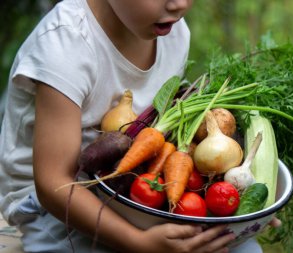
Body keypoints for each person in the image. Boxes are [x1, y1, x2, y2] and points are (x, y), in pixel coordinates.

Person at [0, 0, 278, 252]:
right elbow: (54, 185)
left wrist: (249, 212)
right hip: (57, 209)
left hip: (131, 192)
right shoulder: (66, 44)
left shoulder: (174, 34)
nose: (180, 4)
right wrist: (138, 243)